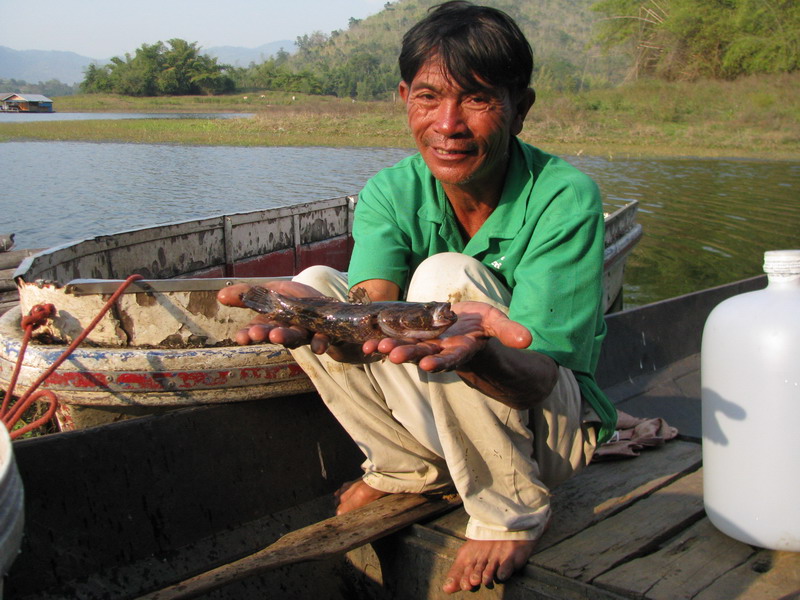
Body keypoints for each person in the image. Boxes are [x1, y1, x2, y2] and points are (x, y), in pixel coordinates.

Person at [218, 1, 616, 593]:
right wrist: (336, 334)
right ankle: (412, 466)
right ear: (406, 97)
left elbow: (539, 376)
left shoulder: (565, 197)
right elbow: (371, 299)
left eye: (478, 99)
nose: (448, 124)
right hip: (441, 406)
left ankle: (510, 508)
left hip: (548, 428)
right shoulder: (390, 189)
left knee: (441, 275)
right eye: (429, 98)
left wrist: (480, 352)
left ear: (520, 108)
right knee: (322, 289)